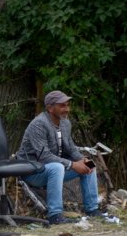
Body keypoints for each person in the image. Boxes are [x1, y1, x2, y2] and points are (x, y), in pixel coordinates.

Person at [16, 90, 99, 225]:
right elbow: (44, 156)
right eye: (62, 106)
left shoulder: (65, 123)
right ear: (50, 108)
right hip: (32, 172)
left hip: (54, 170)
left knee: (89, 164)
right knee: (57, 167)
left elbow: (70, 148)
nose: (66, 109)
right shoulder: (39, 124)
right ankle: (55, 215)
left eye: (67, 105)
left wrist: (81, 159)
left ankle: (92, 209)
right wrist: (73, 165)